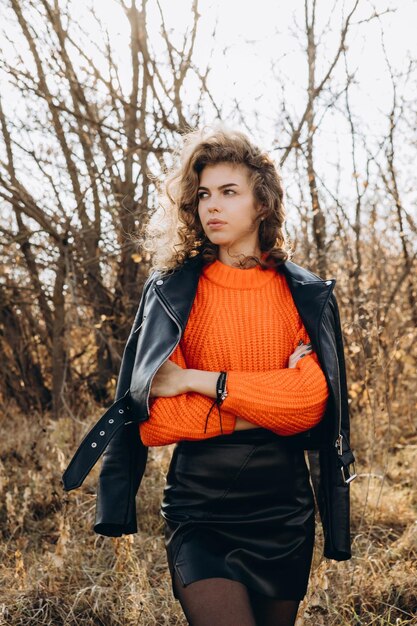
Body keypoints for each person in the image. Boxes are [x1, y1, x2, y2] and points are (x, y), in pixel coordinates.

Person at [62, 125, 356, 626]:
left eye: (228, 192)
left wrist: (199, 381)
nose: (211, 206)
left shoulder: (302, 295)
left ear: (261, 204)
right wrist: (267, 403)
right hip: (200, 506)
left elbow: (310, 406)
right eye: (202, 195)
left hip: (283, 509)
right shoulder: (173, 295)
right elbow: (152, 420)